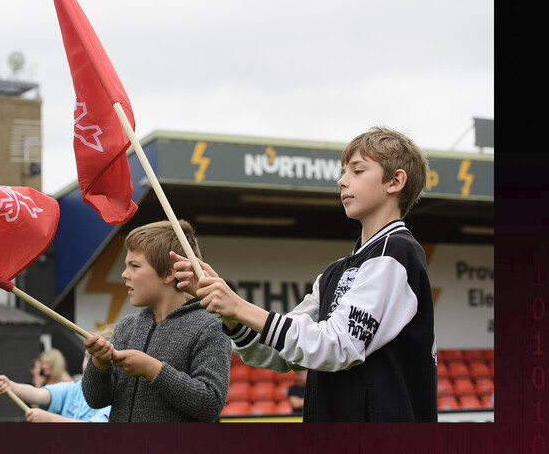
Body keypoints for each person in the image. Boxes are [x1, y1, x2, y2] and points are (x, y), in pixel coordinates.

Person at [173, 126, 438, 422]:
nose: (341, 181)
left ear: (395, 181)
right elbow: (279, 353)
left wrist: (238, 305)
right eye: (343, 171)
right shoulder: (334, 272)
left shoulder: (396, 252)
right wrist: (229, 313)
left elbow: (338, 345)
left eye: (357, 171)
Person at [82, 219, 232, 422]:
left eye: (135, 266)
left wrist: (152, 369)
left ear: (168, 273)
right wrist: (99, 363)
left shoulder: (209, 326)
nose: (124, 274)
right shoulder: (126, 326)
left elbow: (210, 403)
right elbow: (96, 400)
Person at [0, 325, 115, 423]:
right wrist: (11, 386)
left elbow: (96, 430)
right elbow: (38, 394)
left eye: (97, 360)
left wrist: (50, 419)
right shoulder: (74, 388)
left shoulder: (117, 399)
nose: (89, 364)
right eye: (87, 357)